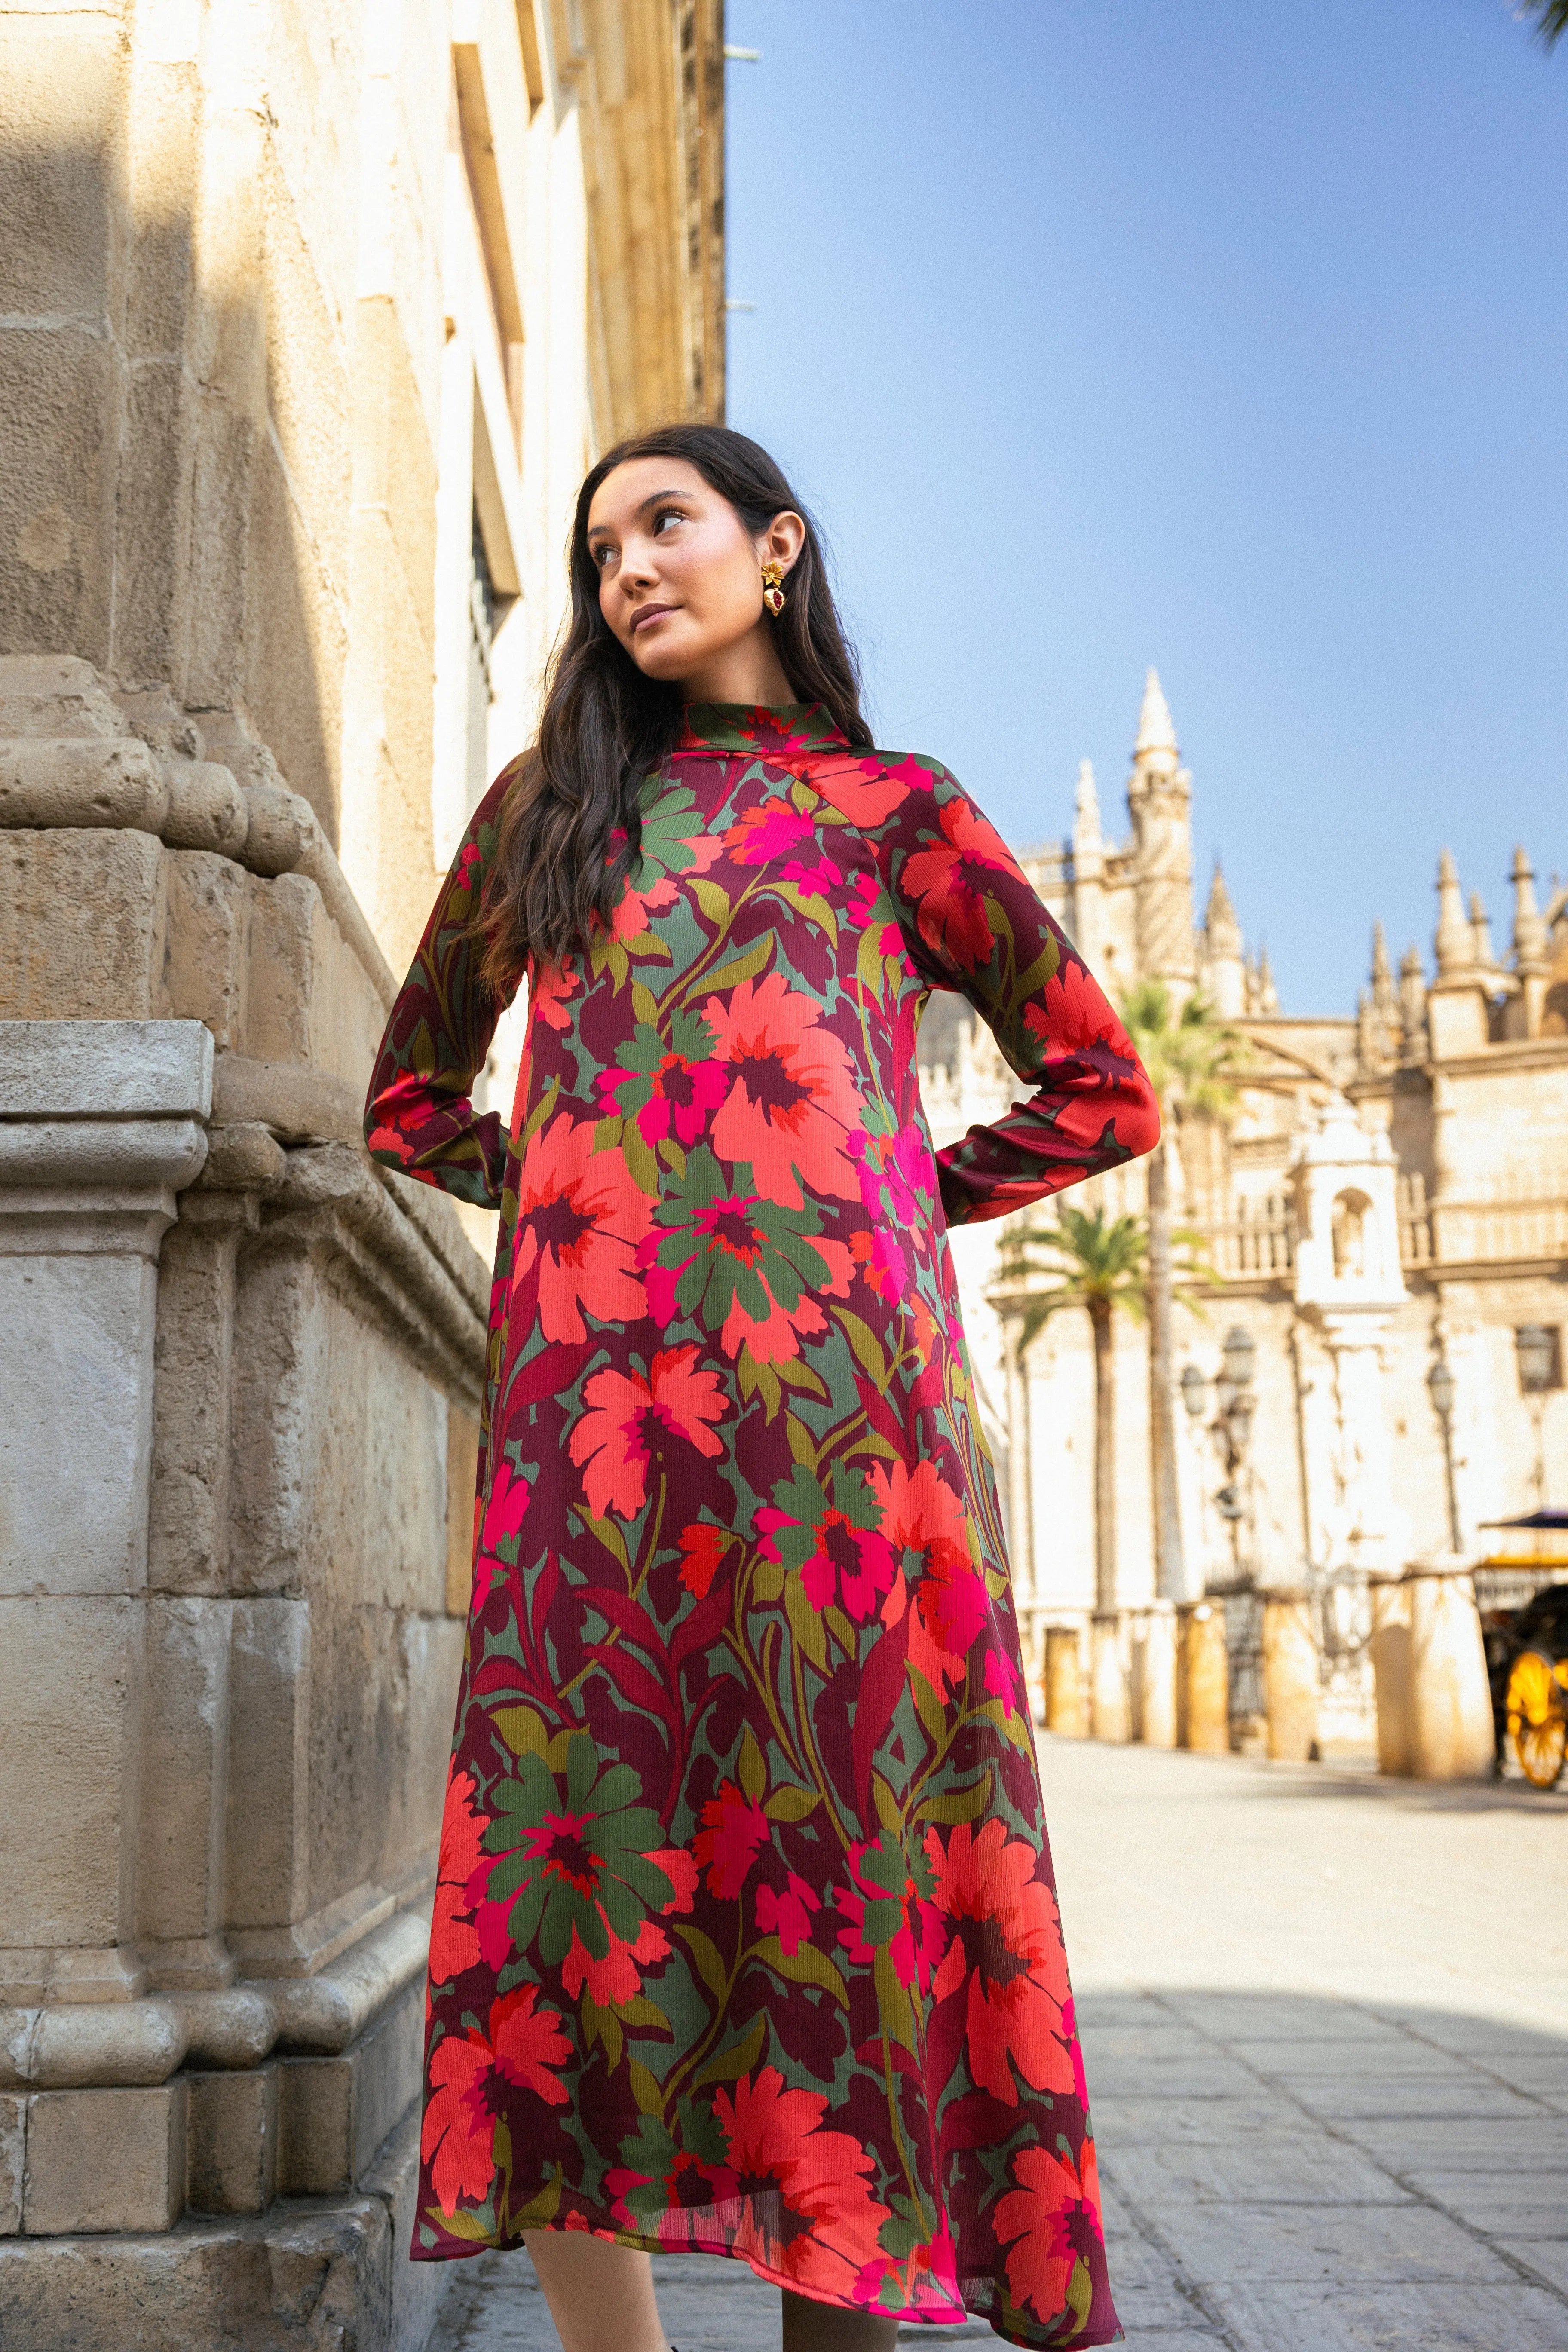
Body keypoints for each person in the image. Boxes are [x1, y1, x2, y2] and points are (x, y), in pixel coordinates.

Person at [364, 424, 1159, 2352]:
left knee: (841, 1854)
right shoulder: (547, 814)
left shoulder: (898, 811)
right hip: (592, 1427)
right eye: (599, 550)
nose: (629, 568)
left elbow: (1103, 1089)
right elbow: (408, 1098)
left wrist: (891, 1194)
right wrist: (576, 1189)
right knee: (572, 1863)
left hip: (847, 1426)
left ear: (776, 548)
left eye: (668, 524)